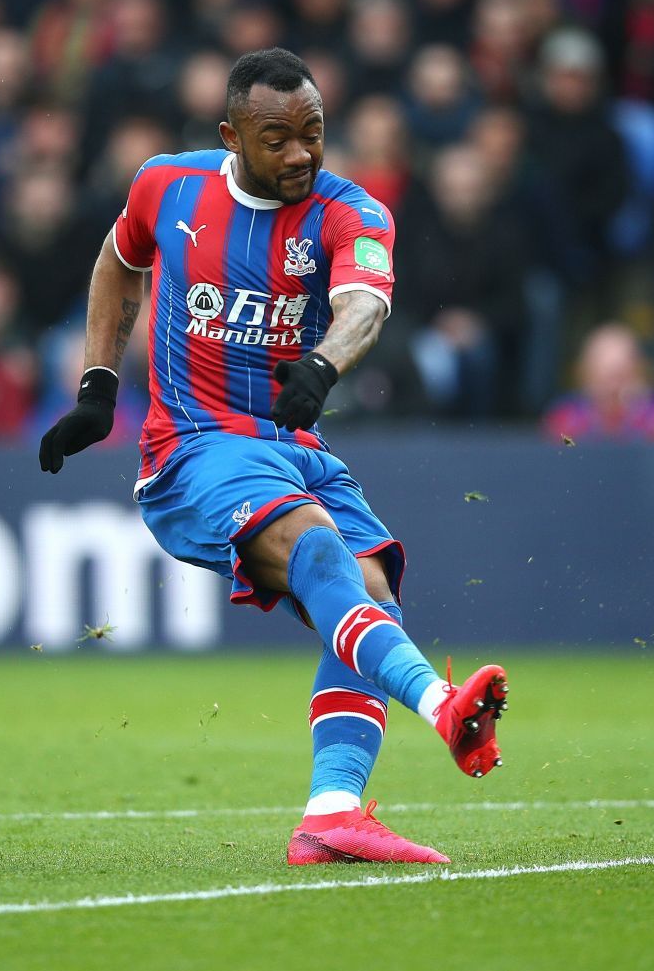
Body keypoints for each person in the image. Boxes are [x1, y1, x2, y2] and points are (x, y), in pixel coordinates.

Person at [39, 48, 508, 865]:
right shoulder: (166, 185)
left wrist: (324, 365)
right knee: (320, 549)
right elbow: (120, 261)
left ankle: (331, 815)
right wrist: (98, 387)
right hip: (194, 446)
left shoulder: (352, 210)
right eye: (276, 138)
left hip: (295, 443)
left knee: (367, 592)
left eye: (313, 133)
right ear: (231, 136)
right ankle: (441, 706)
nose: (300, 154)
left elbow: (364, 304)